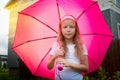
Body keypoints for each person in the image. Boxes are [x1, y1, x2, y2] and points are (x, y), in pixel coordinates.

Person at [47, 15, 88, 80]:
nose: (68, 30)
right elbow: (49, 67)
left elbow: (86, 68)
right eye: (65, 27)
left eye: (71, 27)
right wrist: (55, 55)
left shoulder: (81, 46)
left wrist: (69, 64)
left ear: (76, 29)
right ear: (61, 29)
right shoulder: (56, 45)